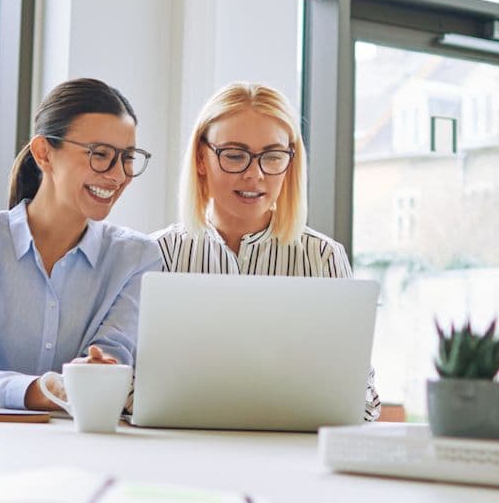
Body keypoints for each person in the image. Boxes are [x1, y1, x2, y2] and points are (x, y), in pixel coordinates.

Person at [154, 82, 381, 421]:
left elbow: (363, 402)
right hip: (185, 451)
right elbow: (132, 385)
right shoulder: (157, 255)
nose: (254, 174)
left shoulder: (322, 258)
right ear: (202, 159)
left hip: (291, 456)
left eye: (273, 157)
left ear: (290, 163)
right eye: (234, 155)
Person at [0, 78, 162, 410]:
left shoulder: (137, 258)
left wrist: (98, 373)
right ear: (44, 153)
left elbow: (111, 362)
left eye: (127, 157)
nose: (117, 175)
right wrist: (47, 389)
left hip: (77, 442)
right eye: (100, 155)